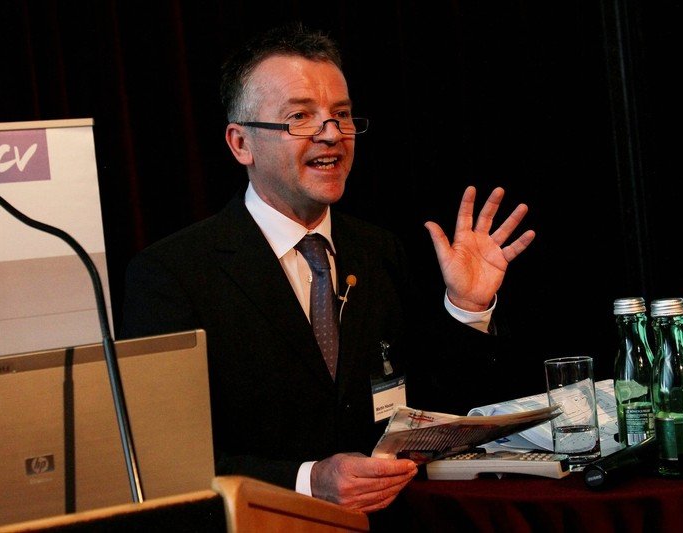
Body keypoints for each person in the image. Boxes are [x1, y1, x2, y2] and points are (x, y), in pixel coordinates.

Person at [120, 22, 535, 518]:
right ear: (241, 143)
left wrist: (467, 308)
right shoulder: (172, 275)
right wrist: (309, 480)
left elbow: (440, 409)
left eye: (341, 115)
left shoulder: (379, 250)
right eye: (300, 117)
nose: (332, 134)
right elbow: (166, 463)